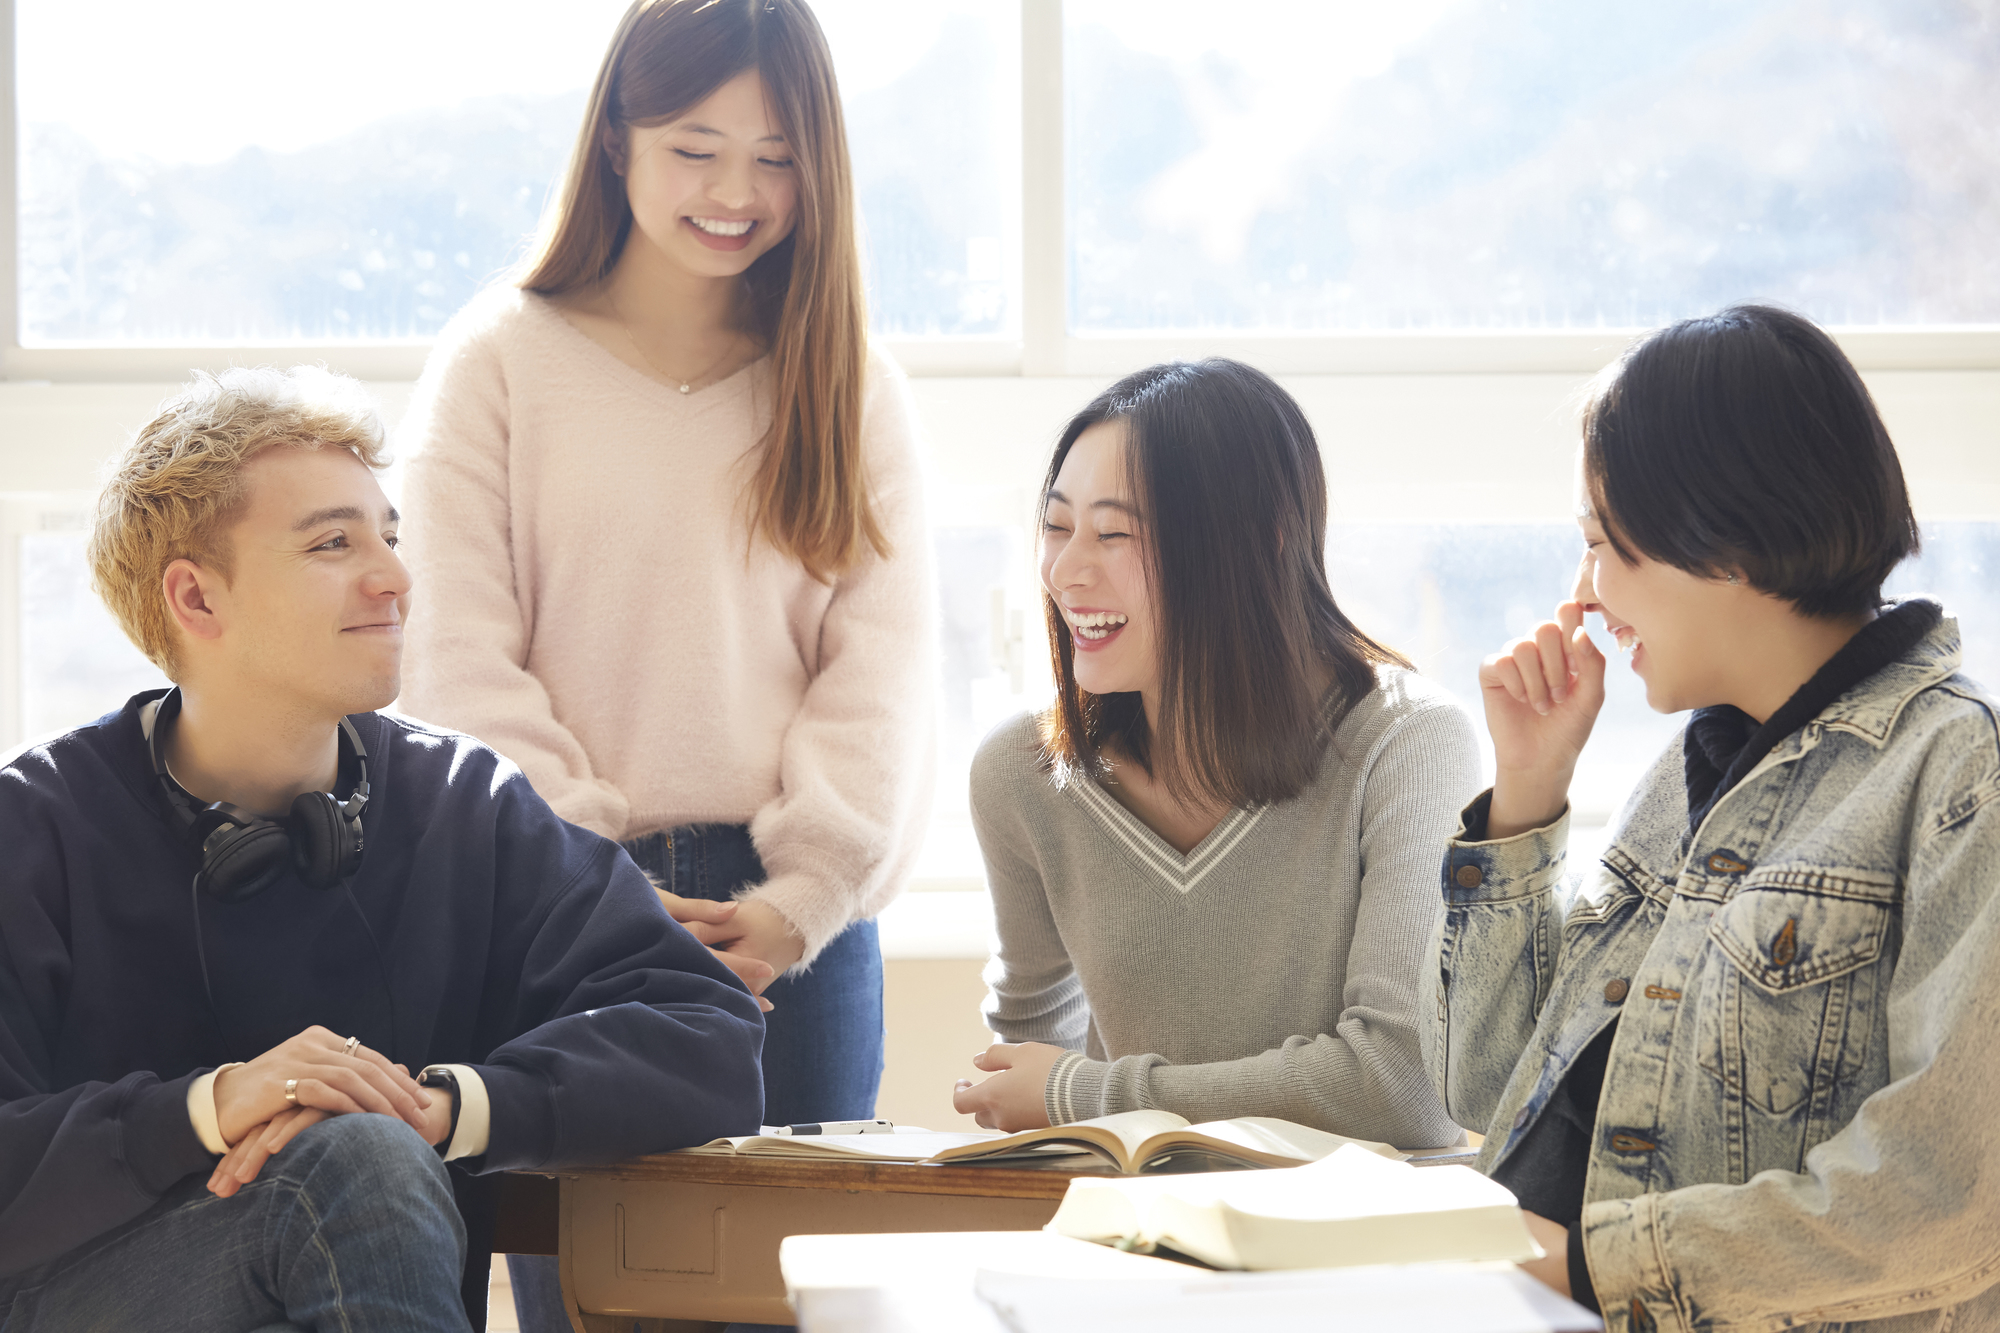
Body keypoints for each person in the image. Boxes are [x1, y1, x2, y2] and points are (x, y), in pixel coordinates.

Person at [0, 367, 763, 1330]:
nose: (396, 577)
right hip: (84, 1301)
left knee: (368, 1147)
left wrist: (439, 1106)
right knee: (357, 1157)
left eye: (391, 537)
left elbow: (709, 1034)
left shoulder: (467, 805)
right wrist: (211, 1106)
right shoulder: (30, 828)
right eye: (333, 542)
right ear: (195, 599)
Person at [394, 0, 933, 1323]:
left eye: (777, 155)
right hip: (557, 919)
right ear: (618, 141)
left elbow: (883, 666)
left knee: (794, 1302)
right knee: (594, 1295)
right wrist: (596, 885)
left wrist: (804, 896)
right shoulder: (497, 365)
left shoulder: (847, 379)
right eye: (697, 148)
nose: (737, 193)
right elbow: (456, 660)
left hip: (790, 940)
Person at [1429, 305, 2000, 1328]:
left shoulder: (1958, 776)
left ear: (1726, 542)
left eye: (1606, 548)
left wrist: (1592, 1268)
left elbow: (1943, 1198)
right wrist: (1525, 791)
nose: (1585, 597)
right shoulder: (1685, 774)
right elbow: (1483, 1091)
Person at [952, 360, 1479, 1149]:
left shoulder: (1409, 744)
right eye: (1058, 526)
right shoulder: (1020, 774)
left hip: (1360, 1251)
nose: (1065, 572)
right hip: (1134, 1243)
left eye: (1115, 533)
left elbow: (1399, 1084)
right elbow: (1026, 1087)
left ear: (1258, 543)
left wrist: (1084, 1093)